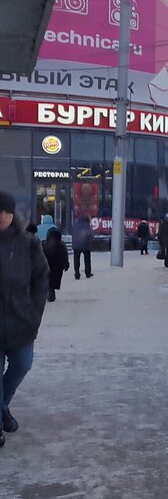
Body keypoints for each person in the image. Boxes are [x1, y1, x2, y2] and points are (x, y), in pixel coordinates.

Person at [0, 191, 50, 448]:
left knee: (22, 365)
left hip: (21, 322)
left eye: (6, 212)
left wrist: (34, 313)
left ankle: (2, 407)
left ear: (12, 214)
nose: (2, 216)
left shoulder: (28, 243)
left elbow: (41, 280)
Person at [42, 229, 69, 302]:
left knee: (47, 280)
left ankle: (48, 292)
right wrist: (66, 265)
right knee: (54, 281)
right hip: (58, 267)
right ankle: (51, 292)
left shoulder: (44, 245)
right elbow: (65, 256)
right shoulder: (62, 246)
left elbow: (39, 256)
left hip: (46, 265)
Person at [71, 215, 94, 280]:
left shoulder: (75, 225)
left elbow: (73, 233)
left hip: (76, 245)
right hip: (85, 245)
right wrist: (91, 240)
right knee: (87, 260)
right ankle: (88, 273)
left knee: (76, 260)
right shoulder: (87, 226)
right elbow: (91, 234)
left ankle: (77, 273)